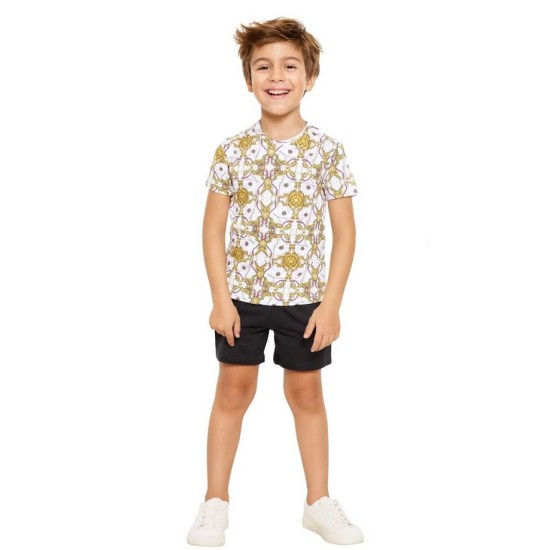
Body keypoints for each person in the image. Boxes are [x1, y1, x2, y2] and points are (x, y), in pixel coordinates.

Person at [187, 17, 363, 546]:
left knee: (306, 394)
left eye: (290, 66)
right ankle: (214, 501)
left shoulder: (328, 151)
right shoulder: (231, 150)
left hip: (304, 302)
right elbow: (212, 229)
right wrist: (220, 300)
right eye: (263, 67)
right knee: (232, 392)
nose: (277, 76)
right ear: (248, 79)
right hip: (241, 300)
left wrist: (330, 305)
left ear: (310, 77)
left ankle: (318, 502)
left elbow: (345, 234)